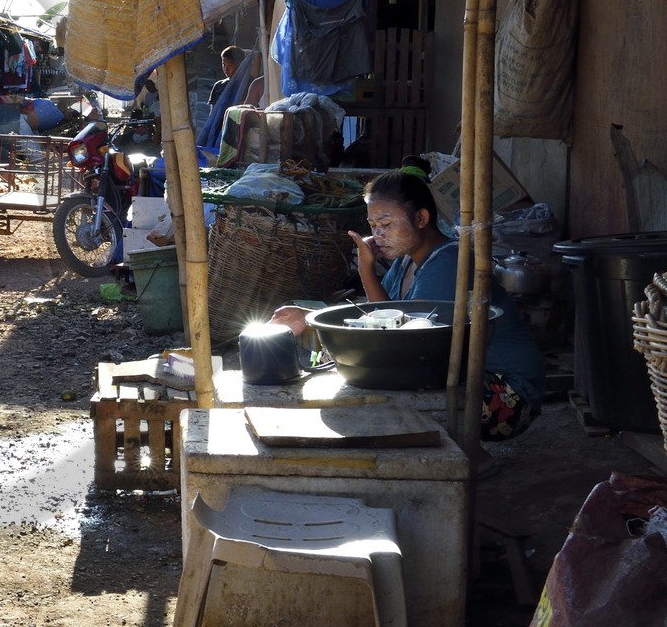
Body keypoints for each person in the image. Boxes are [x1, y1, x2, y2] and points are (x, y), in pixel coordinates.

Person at [269, 157, 545, 442]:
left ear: (421, 219)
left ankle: (472, 458)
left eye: (386, 223)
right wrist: (308, 316)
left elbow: (400, 339)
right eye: (373, 225)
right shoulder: (404, 262)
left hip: (507, 393)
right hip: (466, 375)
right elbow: (374, 316)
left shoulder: (451, 262)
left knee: (385, 376)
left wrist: (366, 269)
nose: (378, 234)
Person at [209, 46, 245, 110]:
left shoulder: (249, 84)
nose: (226, 69)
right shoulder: (218, 86)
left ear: (240, 64)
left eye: (230, 65)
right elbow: (213, 113)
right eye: (224, 65)